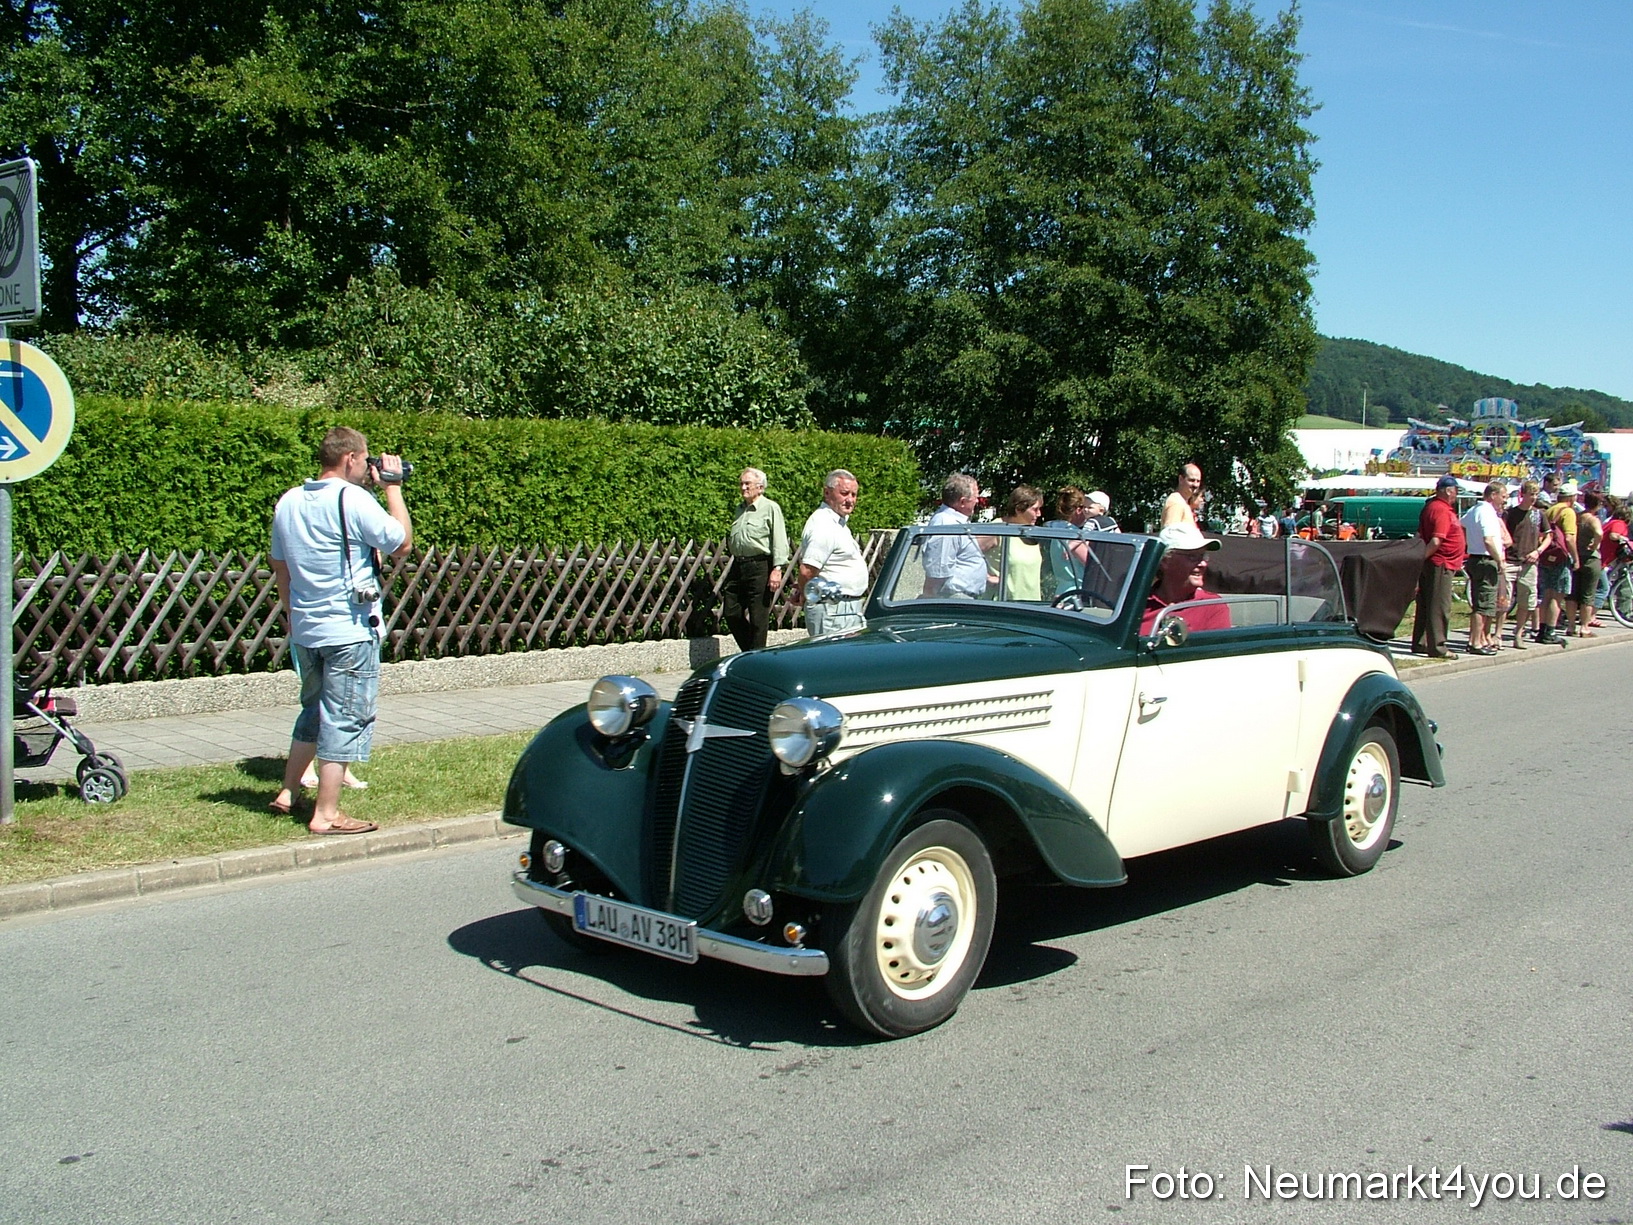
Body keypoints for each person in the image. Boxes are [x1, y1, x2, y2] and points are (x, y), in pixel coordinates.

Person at [268, 427, 411, 834]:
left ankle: (288, 791)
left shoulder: (289, 501)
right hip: (348, 628)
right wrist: (394, 489)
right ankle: (326, 813)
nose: (370, 469)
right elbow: (400, 543)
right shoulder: (353, 498)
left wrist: (291, 612)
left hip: (307, 629)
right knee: (345, 717)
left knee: (312, 711)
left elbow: (280, 566)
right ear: (349, 458)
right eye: (366, 461)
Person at [793, 469, 868, 637]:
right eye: (844, 493)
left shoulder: (838, 524)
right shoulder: (823, 525)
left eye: (854, 495)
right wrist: (807, 595)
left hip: (845, 607)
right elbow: (807, 570)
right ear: (827, 493)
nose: (850, 500)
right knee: (831, 660)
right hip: (832, 609)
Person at [722, 467, 789, 652]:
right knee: (731, 611)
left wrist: (777, 568)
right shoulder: (739, 509)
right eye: (741, 483)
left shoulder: (770, 508)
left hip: (760, 566)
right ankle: (751, 651)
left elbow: (779, 538)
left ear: (760, 487)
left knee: (758, 616)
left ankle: (756, 656)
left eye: (747, 484)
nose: (743, 487)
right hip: (739, 564)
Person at [1139, 521, 1231, 634]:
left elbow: (1214, 651)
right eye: (1192, 557)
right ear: (1165, 561)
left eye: (1203, 556)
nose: (1203, 564)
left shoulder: (1211, 606)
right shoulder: (1137, 604)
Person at [1410, 475, 1465, 659]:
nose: (1456, 495)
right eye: (1455, 491)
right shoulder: (1440, 510)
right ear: (1448, 491)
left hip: (1435, 562)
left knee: (1426, 604)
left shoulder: (1432, 506)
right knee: (1439, 606)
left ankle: (1421, 642)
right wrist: (1421, 558)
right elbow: (1436, 540)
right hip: (1440, 563)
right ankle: (1438, 646)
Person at [922, 473, 990, 598]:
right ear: (962, 502)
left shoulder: (957, 522)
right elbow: (938, 570)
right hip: (953, 598)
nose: (977, 501)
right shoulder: (946, 524)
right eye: (975, 497)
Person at [1460, 481, 1508, 655]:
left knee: (1481, 602)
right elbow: (1488, 540)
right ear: (1493, 495)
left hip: (1475, 558)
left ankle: (1478, 639)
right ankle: (1475, 642)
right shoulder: (1486, 513)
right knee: (1483, 604)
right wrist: (1499, 560)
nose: (1504, 501)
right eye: (1503, 497)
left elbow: (1461, 524)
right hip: (1486, 560)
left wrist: (1469, 542)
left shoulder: (1474, 511)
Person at [1502, 480, 1545, 649]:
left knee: (1527, 600)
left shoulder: (1539, 515)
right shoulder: (1510, 514)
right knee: (1503, 601)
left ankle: (1519, 633)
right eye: (1531, 494)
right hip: (1511, 560)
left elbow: (1548, 535)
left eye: (1536, 494)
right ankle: (1496, 633)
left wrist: (1538, 551)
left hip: (1530, 562)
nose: (1533, 498)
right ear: (1523, 495)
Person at [1536, 481, 1580, 645]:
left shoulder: (1550, 510)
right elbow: (1569, 537)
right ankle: (1551, 630)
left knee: (1546, 594)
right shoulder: (1568, 512)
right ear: (1571, 497)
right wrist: (1575, 558)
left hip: (1547, 555)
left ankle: (1541, 629)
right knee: (1557, 595)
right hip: (1561, 557)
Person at [985, 485, 1044, 600]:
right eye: (1035, 509)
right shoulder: (997, 528)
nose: (1039, 514)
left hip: (1033, 606)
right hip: (1004, 607)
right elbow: (966, 554)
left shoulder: (1030, 532)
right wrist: (985, 577)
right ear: (1018, 509)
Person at [1572, 491, 1604, 638]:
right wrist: (1595, 544)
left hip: (1576, 556)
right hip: (1591, 558)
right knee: (1588, 594)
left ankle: (1571, 625)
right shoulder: (1593, 519)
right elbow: (1599, 533)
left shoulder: (1578, 517)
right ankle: (1584, 627)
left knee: (1572, 594)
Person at [1159, 464, 1203, 528]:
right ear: (1181, 479)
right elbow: (1171, 532)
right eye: (1191, 480)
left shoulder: (1183, 503)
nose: (1195, 485)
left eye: (1198, 481)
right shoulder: (1176, 502)